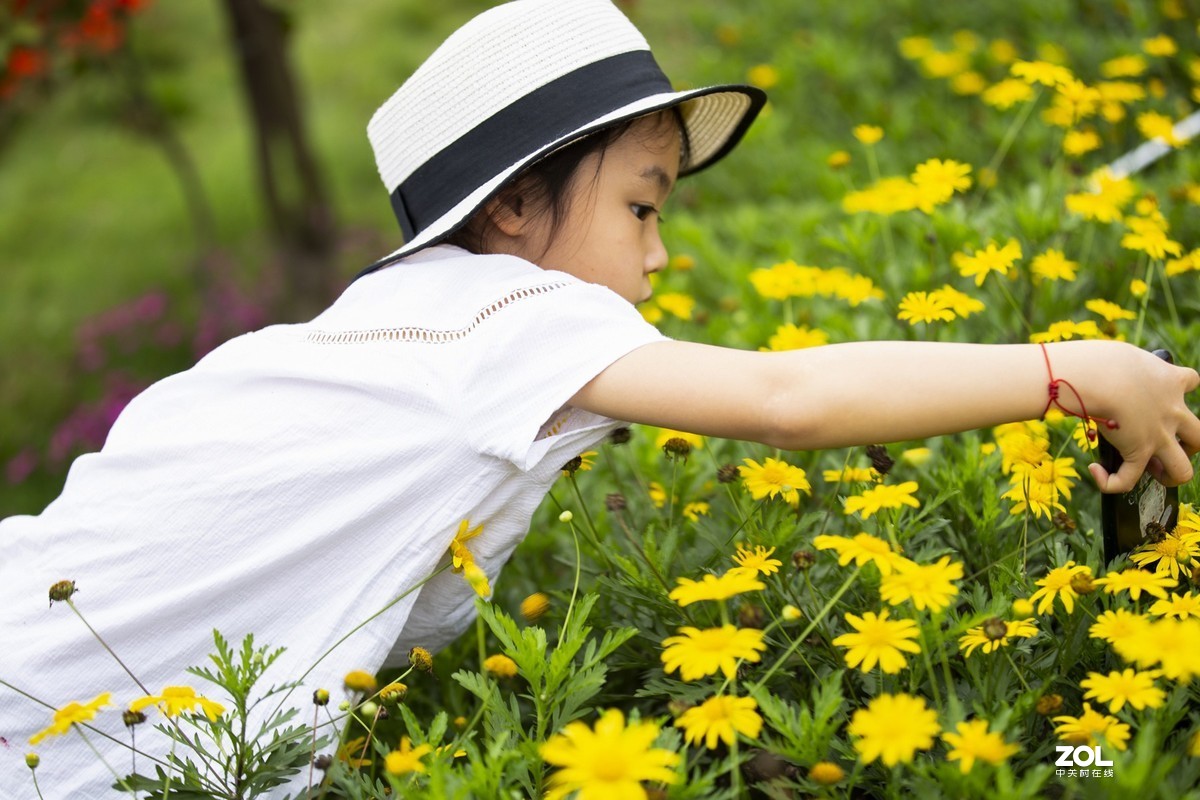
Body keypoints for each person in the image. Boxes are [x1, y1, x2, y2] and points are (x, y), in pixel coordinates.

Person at [2, 0, 1197, 795]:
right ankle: (1094, 760)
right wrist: (1072, 365)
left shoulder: (373, 332)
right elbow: (787, 395)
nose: (660, 256)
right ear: (513, 210)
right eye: (642, 206)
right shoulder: (508, 313)